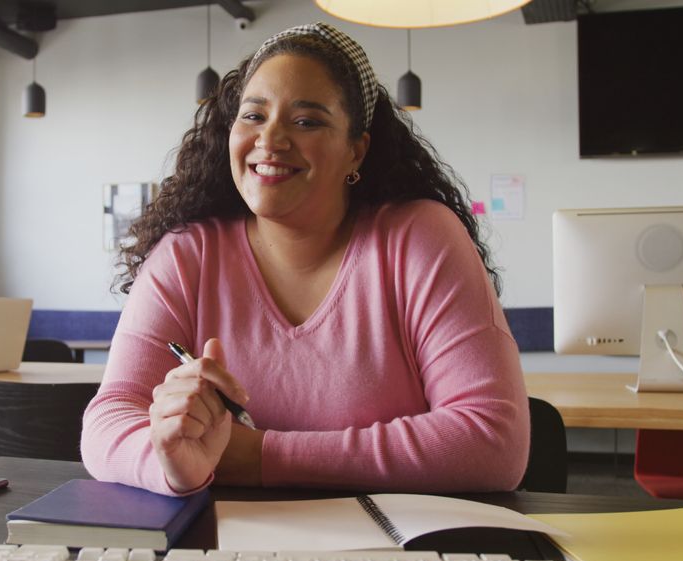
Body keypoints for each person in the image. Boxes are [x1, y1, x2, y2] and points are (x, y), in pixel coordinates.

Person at [81, 23, 529, 496]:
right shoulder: (186, 254)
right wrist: (174, 464)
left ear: (356, 150)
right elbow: (107, 422)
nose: (270, 139)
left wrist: (259, 455)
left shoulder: (419, 237)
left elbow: (493, 442)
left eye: (306, 121)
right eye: (253, 116)